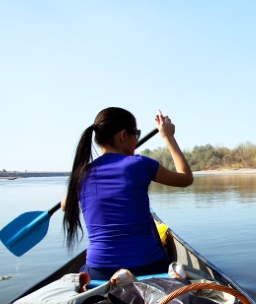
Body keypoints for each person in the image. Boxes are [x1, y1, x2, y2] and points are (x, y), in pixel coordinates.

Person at [62, 107, 194, 281]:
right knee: (151, 227)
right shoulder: (140, 164)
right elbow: (185, 178)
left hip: (99, 271)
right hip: (148, 267)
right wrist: (168, 136)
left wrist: (71, 194)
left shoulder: (80, 175)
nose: (136, 140)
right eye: (136, 135)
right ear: (123, 136)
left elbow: (65, 206)